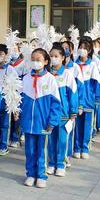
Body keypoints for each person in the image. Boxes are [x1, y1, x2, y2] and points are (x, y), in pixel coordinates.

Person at [16, 48, 62, 188]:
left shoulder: (50, 79)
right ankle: (30, 174)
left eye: (38, 60)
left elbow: (56, 103)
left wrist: (52, 121)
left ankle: (41, 175)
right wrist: (17, 113)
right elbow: (19, 99)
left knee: (42, 150)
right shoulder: (26, 78)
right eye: (33, 60)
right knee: (29, 150)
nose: (35, 62)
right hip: (28, 122)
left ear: (45, 61)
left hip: (43, 123)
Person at [47, 44, 78, 177]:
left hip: (63, 114)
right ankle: (51, 163)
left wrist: (73, 112)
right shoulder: (47, 74)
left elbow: (73, 94)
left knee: (62, 140)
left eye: (56, 56)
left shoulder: (67, 74)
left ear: (63, 58)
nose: (54, 59)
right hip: (49, 114)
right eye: (51, 56)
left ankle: (61, 164)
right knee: (50, 140)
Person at [74, 39, 100, 160]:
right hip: (76, 101)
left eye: (85, 48)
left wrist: (97, 99)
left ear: (90, 50)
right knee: (77, 126)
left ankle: (84, 147)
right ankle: (76, 148)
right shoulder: (74, 65)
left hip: (88, 101)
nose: (82, 50)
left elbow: (98, 84)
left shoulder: (92, 65)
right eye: (80, 47)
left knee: (87, 125)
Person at [0, 44, 18, 156]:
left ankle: (3, 146)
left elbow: (16, 86)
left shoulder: (10, 69)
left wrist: (14, 104)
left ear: (6, 55)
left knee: (4, 124)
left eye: (1, 54)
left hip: (5, 100)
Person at [62, 39, 81, 167]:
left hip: (69, 105)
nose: (64, 50)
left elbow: (78, 88)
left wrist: (78, 106)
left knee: (67, 131)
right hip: (56, 108)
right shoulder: (53, 68)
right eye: (62, 47)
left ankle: (67, 156)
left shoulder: (75, 67)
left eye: (66, 47)